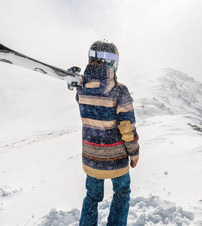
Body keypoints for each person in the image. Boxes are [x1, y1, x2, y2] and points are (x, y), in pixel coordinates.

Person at [76, 39, 140, 226]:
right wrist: (134, 152)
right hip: (116, 159)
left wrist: (78, 81)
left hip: (91, 157)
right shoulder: (120, 91)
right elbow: (127, 128)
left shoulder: (81, 89)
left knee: (92, 197)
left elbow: (82, 99)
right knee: (121, 193)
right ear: (113, 62)